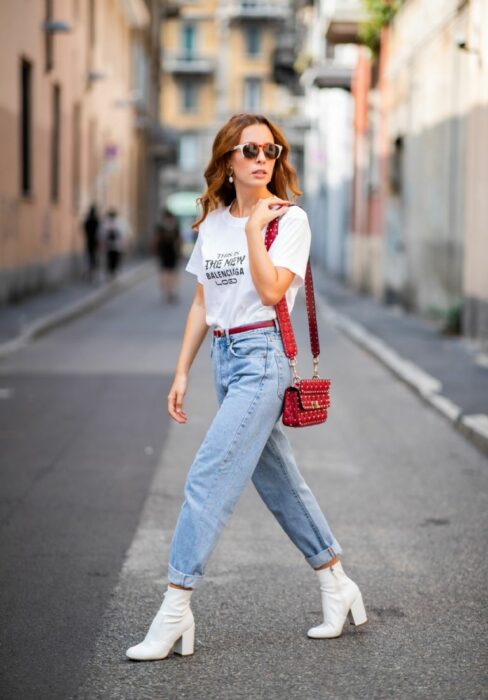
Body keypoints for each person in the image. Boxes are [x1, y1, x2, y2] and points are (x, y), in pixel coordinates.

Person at [126, 113, 367, 662]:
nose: (263, 158)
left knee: (209, 475)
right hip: (225, 358)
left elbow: (268, 290)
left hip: (263, 359)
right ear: (228, 161)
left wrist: (257, 229)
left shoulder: (291, 221)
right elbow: (202, 302)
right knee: (280, 480)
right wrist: (183, 370)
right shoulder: (211, 222)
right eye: (250, 149)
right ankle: (337, 583)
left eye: (272, 150)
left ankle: (175, 609)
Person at [153, 206, 182, 302]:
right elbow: (179, 241)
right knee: (172, 272)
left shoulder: (160, 227)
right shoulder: (175, 226)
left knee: (164, 272)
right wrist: (179, 252)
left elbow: (156, 240)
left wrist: (155, 250)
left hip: (163, 252)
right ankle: (171, 290)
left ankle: (166, 290)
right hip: (172, 251)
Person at [100, 208, 128, 280]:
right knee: (112, 258)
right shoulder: (108, 223)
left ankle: (113, 272)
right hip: (112, 245)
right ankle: (112, 272)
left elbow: (123, 233)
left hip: (115, 244)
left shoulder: (118, 222)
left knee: (114, 258)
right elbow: (102, 234)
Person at [82, 204, 99, 282]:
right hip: (95, 241)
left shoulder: (87, 221)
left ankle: (90, 273)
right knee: (94, 257)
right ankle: (93, 273)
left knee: (89, 256)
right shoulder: (96, 221)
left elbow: (84, 229)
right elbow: (100, 231)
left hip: (89, 241)